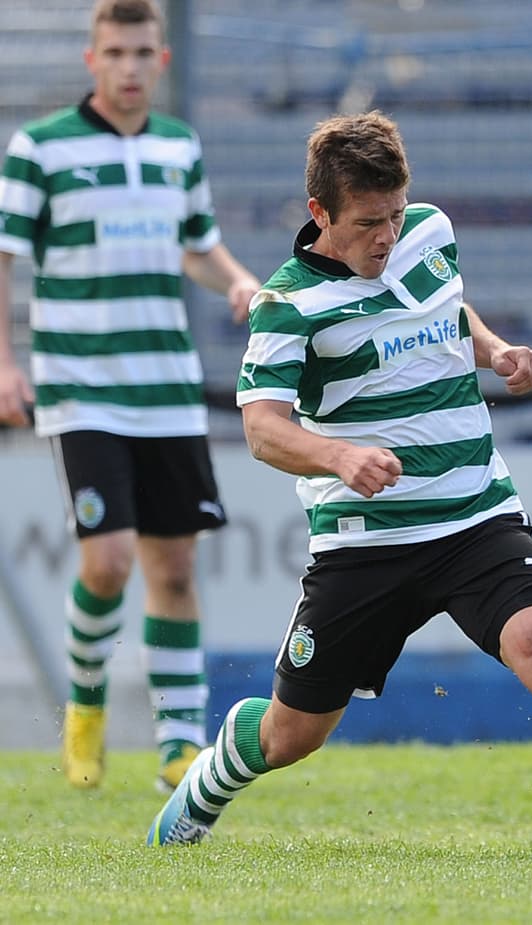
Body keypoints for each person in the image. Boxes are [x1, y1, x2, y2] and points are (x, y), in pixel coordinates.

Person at [146, 111, 532, 861]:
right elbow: (262, 429)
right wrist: (340, 456)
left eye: (396, 213)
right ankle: (205, 787)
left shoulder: (429, 231)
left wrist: (495, 349)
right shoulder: (289, 305)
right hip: (366, 544)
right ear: (320, 214)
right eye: (368, 222)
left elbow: (443, 306)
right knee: (293, 733)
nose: (387, 235)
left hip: (476, 515)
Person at [0, 0, 260, 792]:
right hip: (82, 387)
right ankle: (85, 704)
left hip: (167, 387)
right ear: (91, 61)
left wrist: (240, 279)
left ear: (162, 61)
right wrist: (5, 364)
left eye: (143, 52)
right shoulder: (39, 148)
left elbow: (197, 244)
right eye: (114, 52)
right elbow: (5, 257)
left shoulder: (180, 146)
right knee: (108, 562)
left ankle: (180, 746)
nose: (129, 66)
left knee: (175, 569)